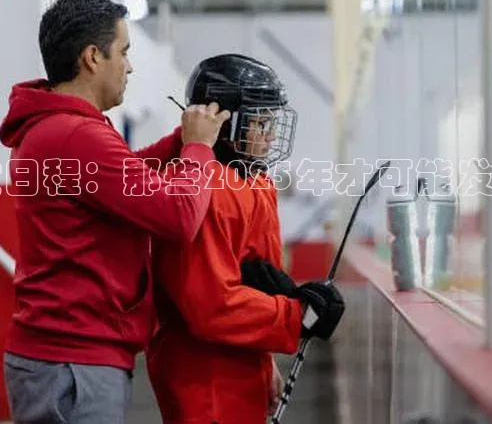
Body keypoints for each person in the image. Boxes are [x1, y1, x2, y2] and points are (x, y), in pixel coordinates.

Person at [0, 0, 230, 423]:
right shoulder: (76, 135)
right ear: (92, 57)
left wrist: (180, 141)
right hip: (74, 363)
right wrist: (198, 149)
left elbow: (122, 177)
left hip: (64, 358)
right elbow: (179, 217)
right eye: (123, 51)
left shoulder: (57, 128)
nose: (130, 66)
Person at [145, 53, 346, 424]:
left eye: (272, 122)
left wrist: (265, 357)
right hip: (205, 377)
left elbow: (255, 281)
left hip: (241, 365)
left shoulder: (257, 182)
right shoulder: (203, 188)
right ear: (225, 124)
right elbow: (210, 307)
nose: (270, 135)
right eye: (261, 122)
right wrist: (295, 316)